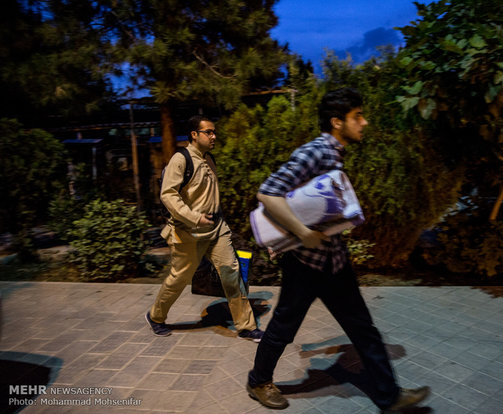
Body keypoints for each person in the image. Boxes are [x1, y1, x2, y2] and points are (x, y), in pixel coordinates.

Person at [246, 88, 430, 412]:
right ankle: (258, 381)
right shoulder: (315, 152)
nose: (365, 122)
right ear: (336, 122)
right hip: (306, 262)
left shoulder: (334, 153)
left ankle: (390, 398)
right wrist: (303, 233)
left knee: (363, 328)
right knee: (284, 326)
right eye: (357, 116)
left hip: (334, 261)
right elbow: (268, 192)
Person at [145, 115, 263, 342]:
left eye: (214, 132)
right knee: (179, 278)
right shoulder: (180, 160)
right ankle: (155, 316)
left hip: (217, 229)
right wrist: (194, 218)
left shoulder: (209, 159)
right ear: (194, 134)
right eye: (208, 132)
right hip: (188, 232)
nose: (214, 136)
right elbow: (168, 195)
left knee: (232, 273)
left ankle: (246, 326)